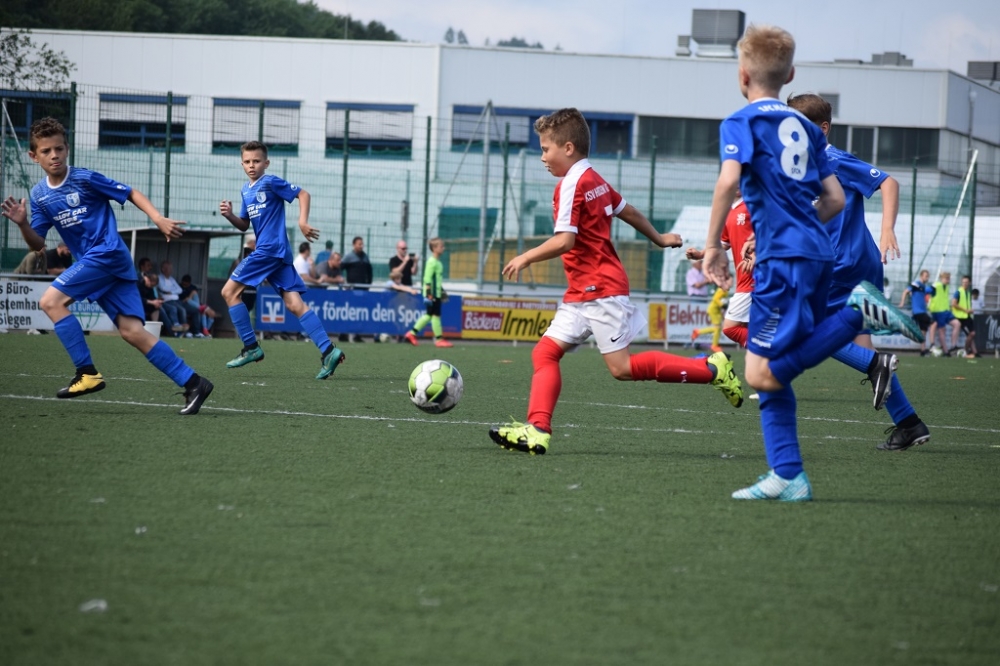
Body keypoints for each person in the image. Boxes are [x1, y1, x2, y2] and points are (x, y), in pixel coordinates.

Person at [701, 25, 921, 501]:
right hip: (818, 254)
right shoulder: (805, 128)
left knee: (760, 373)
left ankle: (858, 315)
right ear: (790, 75)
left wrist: (714, 245)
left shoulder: (740, 121)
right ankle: (788, 476)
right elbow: (835, 199)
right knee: (767, 367)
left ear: (743, 75)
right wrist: (793, 229)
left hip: (784, 261)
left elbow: (727, 182)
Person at [488, 108, 744, 455]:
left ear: (567, 148)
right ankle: (537, 429)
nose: (543, 157)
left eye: (546, 149)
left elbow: (565, 241)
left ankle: (711, 369)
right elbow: (628, 210)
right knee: (545, 352)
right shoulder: (594, 178)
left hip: (599, 289)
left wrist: (526, 256)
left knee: (622, 368)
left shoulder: (571, 184)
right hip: (584, 291)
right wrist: (659, 237)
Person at [0, 117, 213, 414]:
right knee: (132, 331)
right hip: (103, 264)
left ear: (67, 148)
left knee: (50, 301)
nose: (54, 155)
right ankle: (194, 382)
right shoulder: (39, 195)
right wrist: (23, 224)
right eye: (46, 151)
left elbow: (130, 192)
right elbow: (37, 244)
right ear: (34, 156)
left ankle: (86, 372)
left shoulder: (84, 178)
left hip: (107, 253)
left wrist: (157, 218)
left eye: (59, 148)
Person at [787, 92, 930, 451]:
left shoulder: (831, 159)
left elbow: (889, 182)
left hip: (840, 264)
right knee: (861, 345)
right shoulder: (801, 165)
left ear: (822, 129)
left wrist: (887, 229)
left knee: (805, 331)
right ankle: (909, 424)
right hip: (852, 263)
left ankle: (875, 364)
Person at [218, 140, 345, 379]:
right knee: (294, 305)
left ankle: (250, 347)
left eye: (256, 161)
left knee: (228, 292)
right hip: (277, 254)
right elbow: (244, 225)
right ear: (241, 164)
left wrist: (302, 222)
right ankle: (329, 351)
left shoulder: (270, 182)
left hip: (269, 250)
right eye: (247, 161)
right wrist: (230, 215)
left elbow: (303, 194)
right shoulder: (245, 190)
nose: (251, 165)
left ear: (266, 163)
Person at [687, 194, 756, 349]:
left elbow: (770, 231)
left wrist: (757, 253)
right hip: (745, 279)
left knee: (731, 328)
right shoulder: (728, 212)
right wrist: (701, 254)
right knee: (749, 326)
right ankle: (772, 352)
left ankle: (774, 349)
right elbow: (722, 244)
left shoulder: (753, 204)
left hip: (755, 277)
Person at [404, 237, 453, 348]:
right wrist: (429, 294)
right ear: (434, 248)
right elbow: (427, 279)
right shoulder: (432, 262)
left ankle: (412, 334)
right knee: (433, 315)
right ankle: (437, 339)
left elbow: (437, 280)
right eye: (441, 246)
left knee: (432, 315)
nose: (443, 248)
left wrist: (441, 291)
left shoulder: (437, 262)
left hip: (436, 293)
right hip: (432, 294)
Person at [690, 278, 731, 353]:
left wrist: (723, 309)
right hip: (713, 310)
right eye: (730, 281)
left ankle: (698, 332)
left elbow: (722, 302)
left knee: (718, 328)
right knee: (717, 328)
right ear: (725, 282)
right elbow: (716, 299)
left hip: (717, 310)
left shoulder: (726, 291)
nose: (732, 283)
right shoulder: (721, 290)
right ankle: (714, 345)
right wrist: (722, 305)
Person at [899, 269, 934, 356]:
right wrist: (902, 302)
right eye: (926, 276)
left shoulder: (924, 287)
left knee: (923, 331)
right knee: (933, 323)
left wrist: (933, 288)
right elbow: (906, 291)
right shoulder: (916, 284)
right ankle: (932, 344)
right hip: (918, 312)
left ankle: (922, 350)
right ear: (921, 276)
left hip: (922, 311)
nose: (927, 278)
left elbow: (930, 291)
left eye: (928, 276)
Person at [928, 271, 960, 355]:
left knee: (957, 324)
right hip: (938, 312)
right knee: (942, 330)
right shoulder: (936, 285)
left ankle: (953, 345)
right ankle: (946, 350)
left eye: (949, 278)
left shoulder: (947, 287)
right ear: (941, 279)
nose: (948, 280)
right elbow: (928, 291)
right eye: (946, 278)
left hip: (946, 310)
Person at [158, 259, 191, 336]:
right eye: (169, 268)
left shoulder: (171, 279)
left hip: (177, 300)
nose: (171, 270)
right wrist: (173, 289)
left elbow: (180, 290)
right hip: (168, 301)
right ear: (163, 269)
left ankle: (185, 331)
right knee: (181, 310)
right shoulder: (159, 278)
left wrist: (171, 292)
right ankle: (181, 330)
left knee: (192, 310)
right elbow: (163, 288)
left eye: (171, 268)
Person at [952, 275, 976, 358]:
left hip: (967, 317)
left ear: (969, 283)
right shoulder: (958, 292)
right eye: (963, 282)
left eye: (966, 282)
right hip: (961, 318)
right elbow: (954, 304)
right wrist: (965, 310)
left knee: (972, 334)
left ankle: (972, 351)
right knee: (971, 334)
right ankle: (965, 351)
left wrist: (970, 310)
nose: (965, 284)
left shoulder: (968, 293)